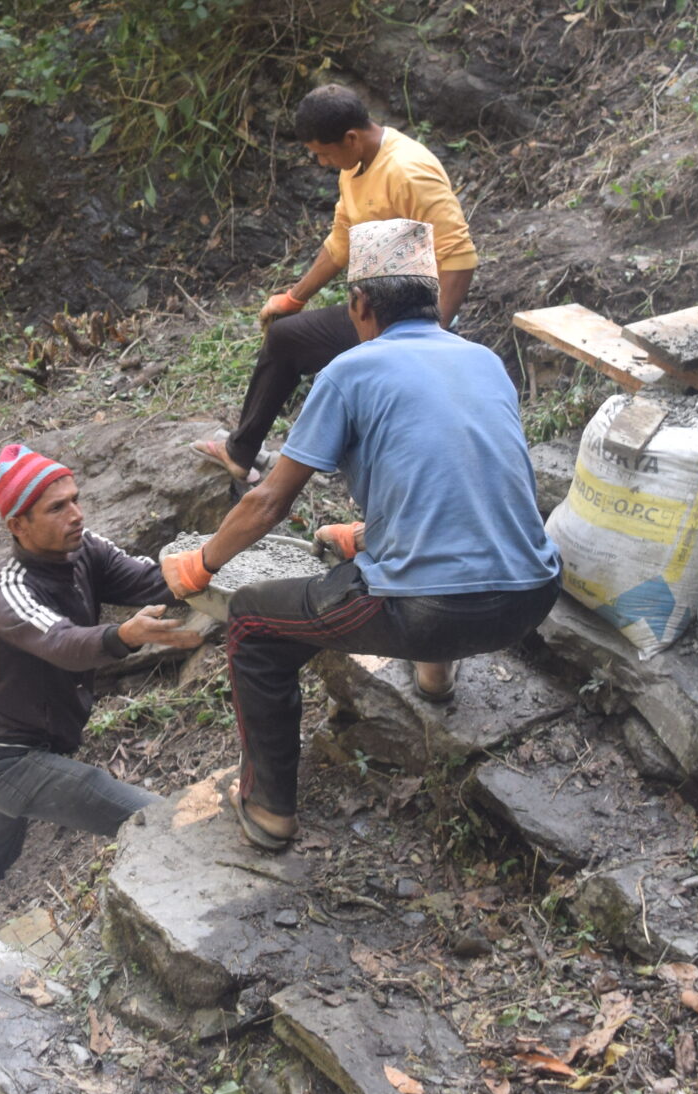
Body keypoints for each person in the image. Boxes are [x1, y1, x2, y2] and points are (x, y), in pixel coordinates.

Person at [163, 220, 562, 853]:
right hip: (534, 593)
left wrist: (200, 564)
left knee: (251, 627)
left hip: (430, 610)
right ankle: (435, 683)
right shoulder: (484, 361)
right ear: (432, 301)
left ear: (359, 306)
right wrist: (375, 534)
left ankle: (268, 811)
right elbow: (462, 483)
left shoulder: (352, 369)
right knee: (430, 566)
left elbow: (268, 501)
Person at [0, 445, 203, 937]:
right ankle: (195, 919)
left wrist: (213, 564)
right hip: (8, 759)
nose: (76, 514)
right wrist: (125, 636)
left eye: (75, 499)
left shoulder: (85, 550)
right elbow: (61, 643)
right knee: (151, 818)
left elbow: (150, 581)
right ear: (18, 524)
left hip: (31, 745)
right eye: (56, 508)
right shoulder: (7, 590)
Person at [195, 84, 479, 484]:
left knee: (379, 412)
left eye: (324, 153)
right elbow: (341, 242)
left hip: (412, 318)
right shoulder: (355, 166)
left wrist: (434, 336)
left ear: (351, 137)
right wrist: (294, 298)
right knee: (286, 337)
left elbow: (459, 256)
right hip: (372, 311)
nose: (321, 162)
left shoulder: (408, 171)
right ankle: (242, 453)